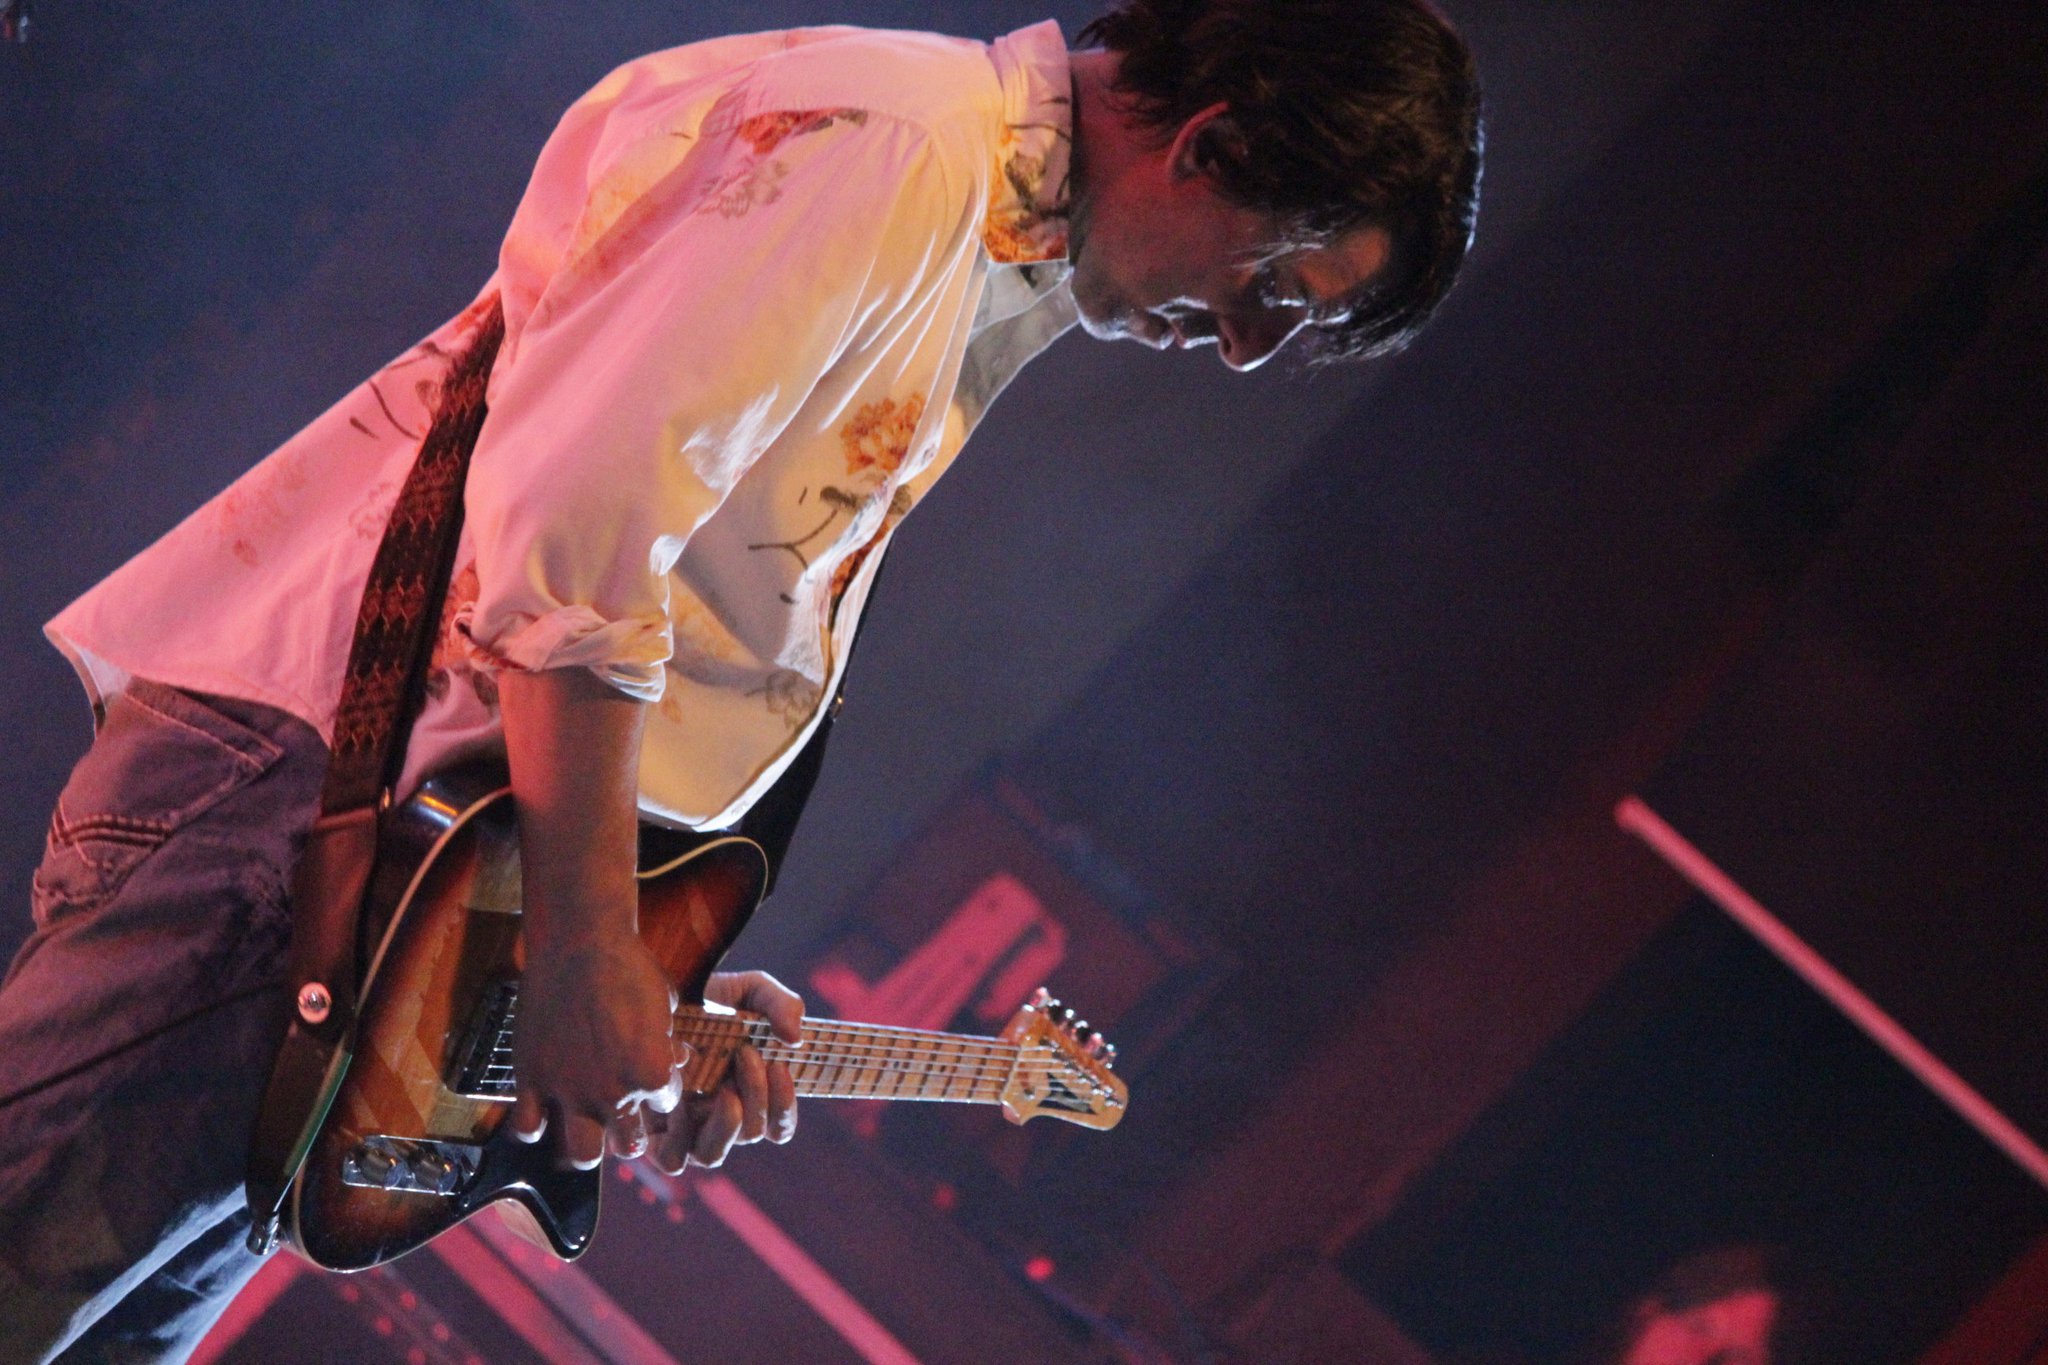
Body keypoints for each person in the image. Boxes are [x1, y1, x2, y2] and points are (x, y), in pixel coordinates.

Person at [0, 0, 1482, 1359]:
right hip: (307, 817)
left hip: (379, 859)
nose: (1244, 348)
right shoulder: (893, 146)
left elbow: (658, 595)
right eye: (1276, 287)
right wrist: (587, 941)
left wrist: (643, 953)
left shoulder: (974, 231)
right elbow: (577, 530)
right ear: (1210, 146)